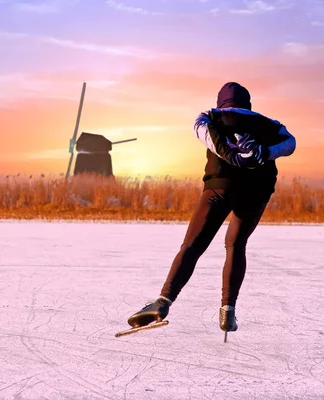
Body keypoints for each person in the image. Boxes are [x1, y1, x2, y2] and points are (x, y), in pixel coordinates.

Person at [127, 82, 297, 334]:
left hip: (221, 186)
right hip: (257, 191)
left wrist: (232, 156)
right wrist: (263, 152)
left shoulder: (210, 116)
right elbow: (290, 143)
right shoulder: (269, 124)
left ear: (221, 102)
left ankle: (163, 301)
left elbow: (204, 133)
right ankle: (228, 311)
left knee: (193, 245)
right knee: (236, 245)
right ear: (247, 103)